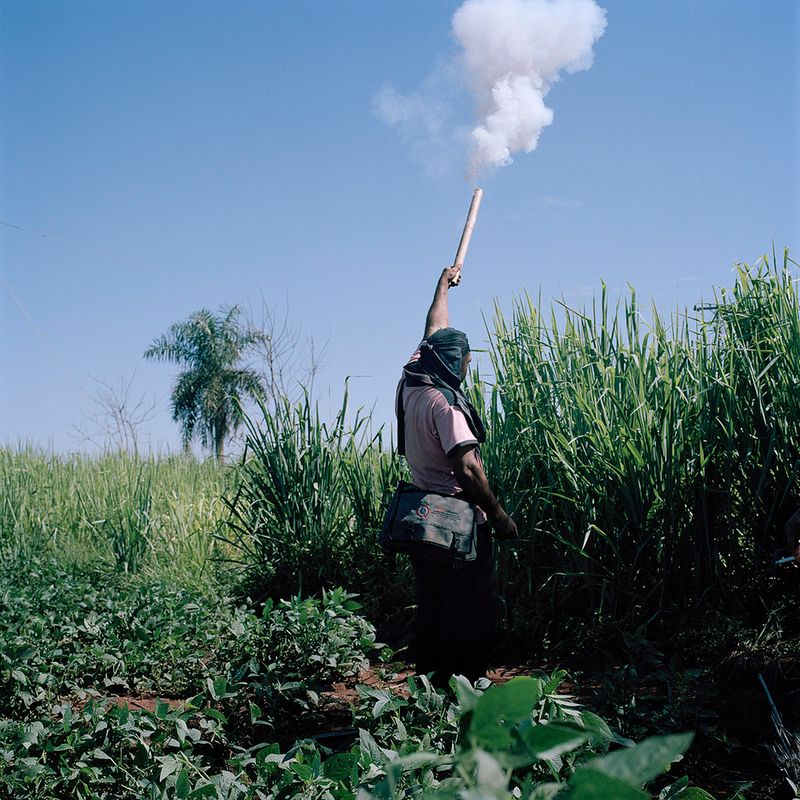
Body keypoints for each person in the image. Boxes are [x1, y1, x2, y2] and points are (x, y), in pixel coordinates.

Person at [396, 264, 517, 687]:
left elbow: (433, 329)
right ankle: (465, 691)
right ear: (454, 363)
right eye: (465, 361)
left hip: (421, 517)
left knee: (433, 604)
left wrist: (442, 286)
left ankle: (429, 687)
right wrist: (499, 515)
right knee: (471, 609)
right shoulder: (446, 407)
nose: (467, 366)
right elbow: (467, 467)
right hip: (457, 523)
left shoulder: (413, 379)